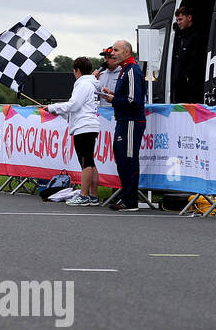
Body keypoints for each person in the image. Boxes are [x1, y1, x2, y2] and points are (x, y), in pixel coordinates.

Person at [47, 57, 102, 206]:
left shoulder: (84, 84)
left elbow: (74, 105)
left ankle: (83, 196)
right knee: (90, 162)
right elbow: (77, 109)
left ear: (77, 70)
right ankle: (93, 196)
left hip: (84, 128)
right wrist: (57, 111)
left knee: (86, 163)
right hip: (87, 126)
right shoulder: (90, 84)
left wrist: (53, 107)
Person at [100, 39, 146, 211]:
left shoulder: (132, 70)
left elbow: (134, 101)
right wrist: (112, 94)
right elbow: (127, 96)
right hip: (123, 120)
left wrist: (113, 99)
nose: (112, 53)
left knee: (128, 159)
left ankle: (130, 200)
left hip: (131, 121)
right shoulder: (124, 70)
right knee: (121, 158)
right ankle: (126, 197)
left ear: (127, 52)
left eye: (116, 50)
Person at [169, 6, 205, 104]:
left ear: (189, 18)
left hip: (190, 88)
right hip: (180, 87)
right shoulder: (180, 36)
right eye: (177, 20)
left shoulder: (196, 37)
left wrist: (185, 76)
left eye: (180, 19)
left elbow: (197, 61)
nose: (178, 22)